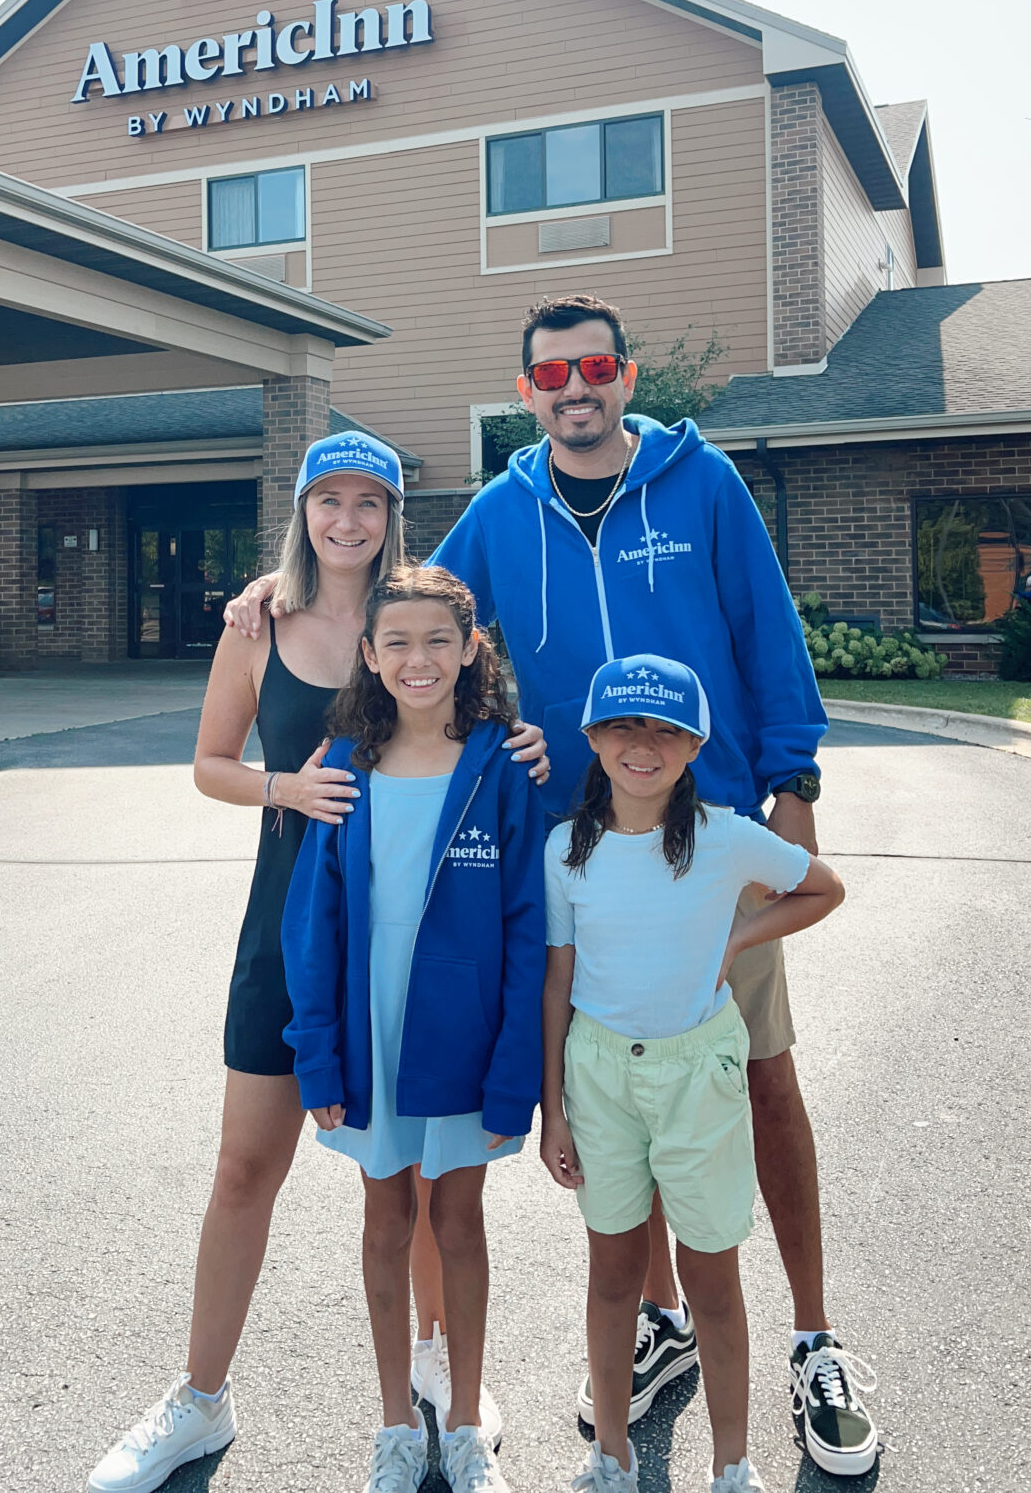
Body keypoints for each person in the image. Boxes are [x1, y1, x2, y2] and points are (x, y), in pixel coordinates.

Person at [227, 291, 878, 1475]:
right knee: (622, 1092)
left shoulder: (703, 487)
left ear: (627, 375)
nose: (574, 389)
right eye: (549, 376)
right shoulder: (501, 510)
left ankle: (815, 1340)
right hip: (571, 861)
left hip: (701, 836)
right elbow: (410, 611)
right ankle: (665, 1327)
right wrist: (285, 600)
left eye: (594, 367)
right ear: (526, 393)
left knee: (759, 1087)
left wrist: (795, 779)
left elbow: (766, 630)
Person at [87, 436, 546, 1493]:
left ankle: (438, 1366)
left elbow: (484, 722)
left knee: (424, 1180)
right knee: (247, 1166)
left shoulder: (419, 623)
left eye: (369, 501)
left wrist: (527, 748)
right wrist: (278, 791)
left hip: (419, 951)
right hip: (289, 934)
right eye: (328, 500)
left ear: (393, 514)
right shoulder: (259, 625)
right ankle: (200, 1399)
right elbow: (208, 765)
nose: (348, 520)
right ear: (301, 511)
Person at [541, 657, 846, 1493]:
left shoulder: (724, 838)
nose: (644, 746)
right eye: (625, 727)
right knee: (612, 1270)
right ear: (594, 739)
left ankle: (732, 1465)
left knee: (712, 1273)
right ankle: (611, 1453)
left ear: (695, 745)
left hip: (698, 1077)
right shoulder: (565, 851)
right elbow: (558, 983)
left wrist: (739, 940)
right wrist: (553, 1113)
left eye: (667, 730)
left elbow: (823, 887)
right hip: (600, 1078)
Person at [282, 565, 545, 1493]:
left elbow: (527, 927)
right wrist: (317, 1057)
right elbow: (313, 924)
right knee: (386, 1217)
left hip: (464, 1039)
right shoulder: (344, 765)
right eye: (396, 642)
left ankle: (466, 1423)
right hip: (368, 1035)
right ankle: (397, 1425)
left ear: (470, 649)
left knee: (460, 1219)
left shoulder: (502, 767)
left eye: (438, 639)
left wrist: (521, 1074)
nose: (418, 658)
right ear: (369, 655)